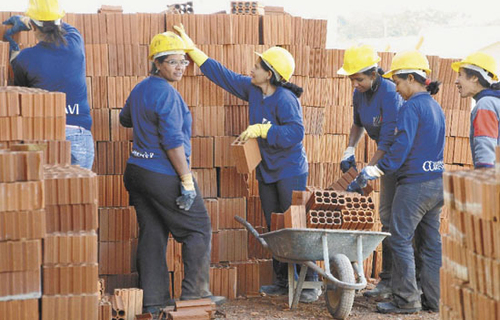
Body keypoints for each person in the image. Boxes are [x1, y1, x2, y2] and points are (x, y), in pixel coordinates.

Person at [173, 24, 320, 303]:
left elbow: (296, 133)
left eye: (257, 65)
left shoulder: (285, 99)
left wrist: (264, 131)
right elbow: (224, 77)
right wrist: (194, 51)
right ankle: (282, 280)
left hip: (290, 170)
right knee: (274, 226)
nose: (251, 69)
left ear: (270, 74)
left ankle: (309, 283)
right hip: (267, 170)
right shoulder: (253, 90)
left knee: (294, 224)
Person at [120, 31, 224, 316]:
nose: (180, 67)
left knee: (153, 232)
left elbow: (124, 118)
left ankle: (153, 303)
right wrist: (186, 180)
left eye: (184, 62)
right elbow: (172, 143)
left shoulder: (141, 88)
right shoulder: (167, 94)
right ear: (157, 63)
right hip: (161, 173)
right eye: (173, 62)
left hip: (136, 172)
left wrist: (144, 120)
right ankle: (194, 297)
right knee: (197, 229)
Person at [350, 51, 445, 314]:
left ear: (412, 79)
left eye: (399, 83)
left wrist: (377, 170)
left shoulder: (411, 107)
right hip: (437, 183)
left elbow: (400, 147)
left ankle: (406, 300)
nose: (397, 90)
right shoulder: (435, 107)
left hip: (414, 186)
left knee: (400, 239)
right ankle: (434, 300)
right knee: (430, 243)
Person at [338, 45, 403, 299]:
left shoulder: (389, 92)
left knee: (397, 220)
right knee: (386, 216)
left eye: (359, 79)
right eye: (352, 79)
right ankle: (386, 281)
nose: (355, 84)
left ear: (374, 73)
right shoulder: (359, 94)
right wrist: (349, 148)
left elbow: (388, 142)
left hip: (399, 160)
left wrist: (370, 170)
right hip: (385, 160)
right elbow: (357, 124)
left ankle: (398, 283)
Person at [5, 0, 94, 169]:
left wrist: (13, 54)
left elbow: (22, 92)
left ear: (33, 26)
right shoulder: (76, 42)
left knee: (47, 192)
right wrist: (32, 19)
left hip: (46, 134)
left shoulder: (25, 58)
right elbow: (57, 23)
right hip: (79, 135)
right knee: (79, 193)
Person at [452, 51, 500, 168]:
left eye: (460, 75)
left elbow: (486, 150)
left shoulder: (486, 104)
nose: (456, 81)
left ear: (474, 77)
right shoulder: (495, 101)